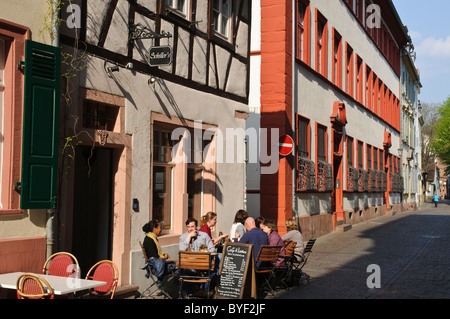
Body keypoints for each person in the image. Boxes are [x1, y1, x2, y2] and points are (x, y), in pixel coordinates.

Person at [179, 217, 216, 298]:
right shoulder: (183, 237)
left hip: (202, 264)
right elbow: (181, 250)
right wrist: (189, 237)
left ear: (196, 227)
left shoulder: (204, 235)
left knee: (214, 270)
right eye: (188, 227)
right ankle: (188, 295)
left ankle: (201, 291)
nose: (190, 229)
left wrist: (206, 252)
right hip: (189, 264)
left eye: (192, 227)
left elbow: (212, 249)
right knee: (187, 271)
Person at [142, 220, 176, 286]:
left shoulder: (152, 238)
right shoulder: (149, 240)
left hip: (157, 266)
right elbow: (154, 258)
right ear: (154, 228)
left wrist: (163, 255)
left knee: (179, 267)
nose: (161, 229)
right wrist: (165, 257)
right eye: (160, 227)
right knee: (180, 266)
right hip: (155, 268)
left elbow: (155, 254)